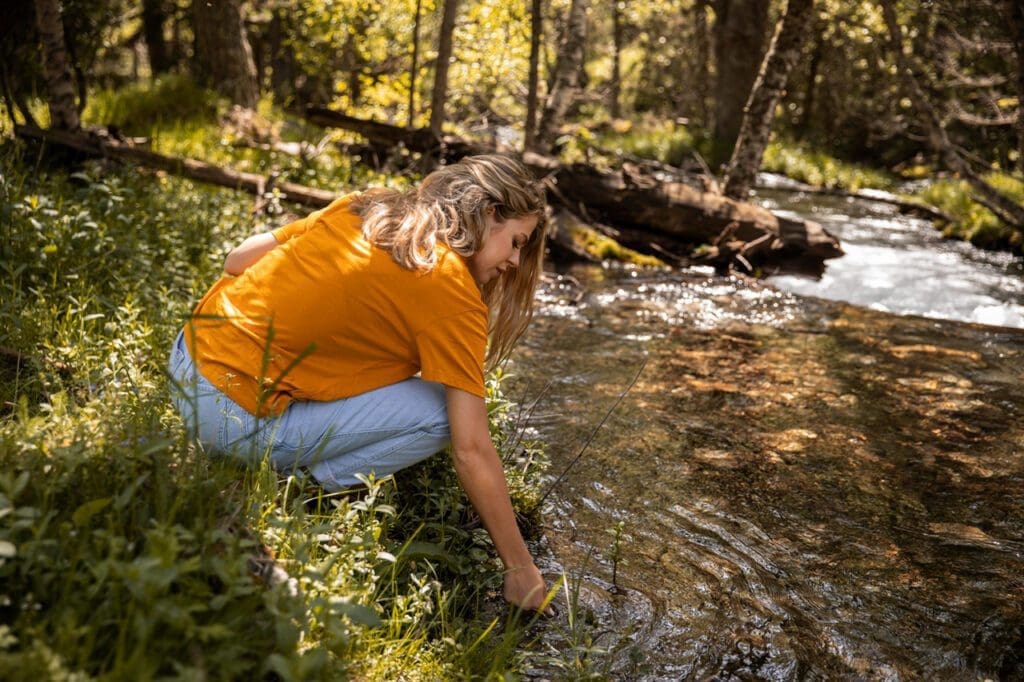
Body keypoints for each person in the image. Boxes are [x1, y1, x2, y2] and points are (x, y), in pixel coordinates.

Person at [168, 154, 549, 610]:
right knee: (441, 414)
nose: (514, 259)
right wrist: (520, 568)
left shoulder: (368, 205)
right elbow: (471, 449)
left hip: (187, 362)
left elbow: (237, 260)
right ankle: (301, 489)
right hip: (226, 418)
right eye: (516, 242)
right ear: (488, 213)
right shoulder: (452, 290)